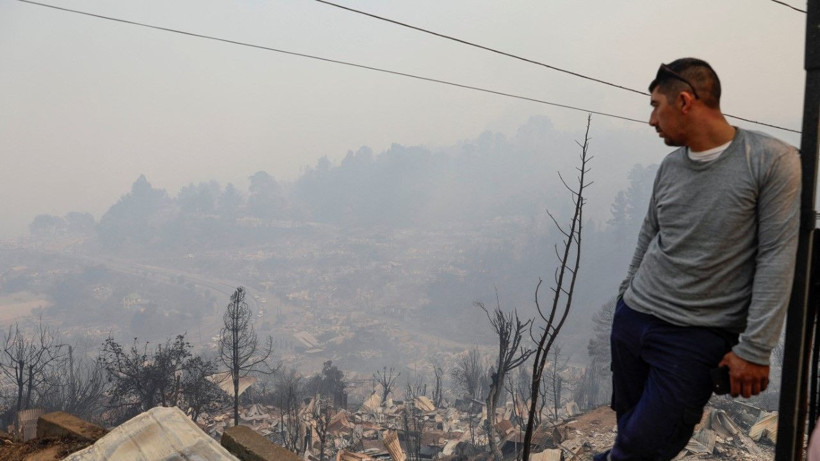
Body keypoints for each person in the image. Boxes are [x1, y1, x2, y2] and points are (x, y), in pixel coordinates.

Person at [594, 58, 801, 460]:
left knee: (640, 448)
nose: (651, 120)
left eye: (656, 106)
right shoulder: (671, 166)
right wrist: (624, 297)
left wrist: (756, 348)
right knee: (630, 437)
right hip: (633, 321)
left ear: (685, 101)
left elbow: (777, 256)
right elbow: (649, 234)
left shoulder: (770, 161)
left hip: (693, 336)